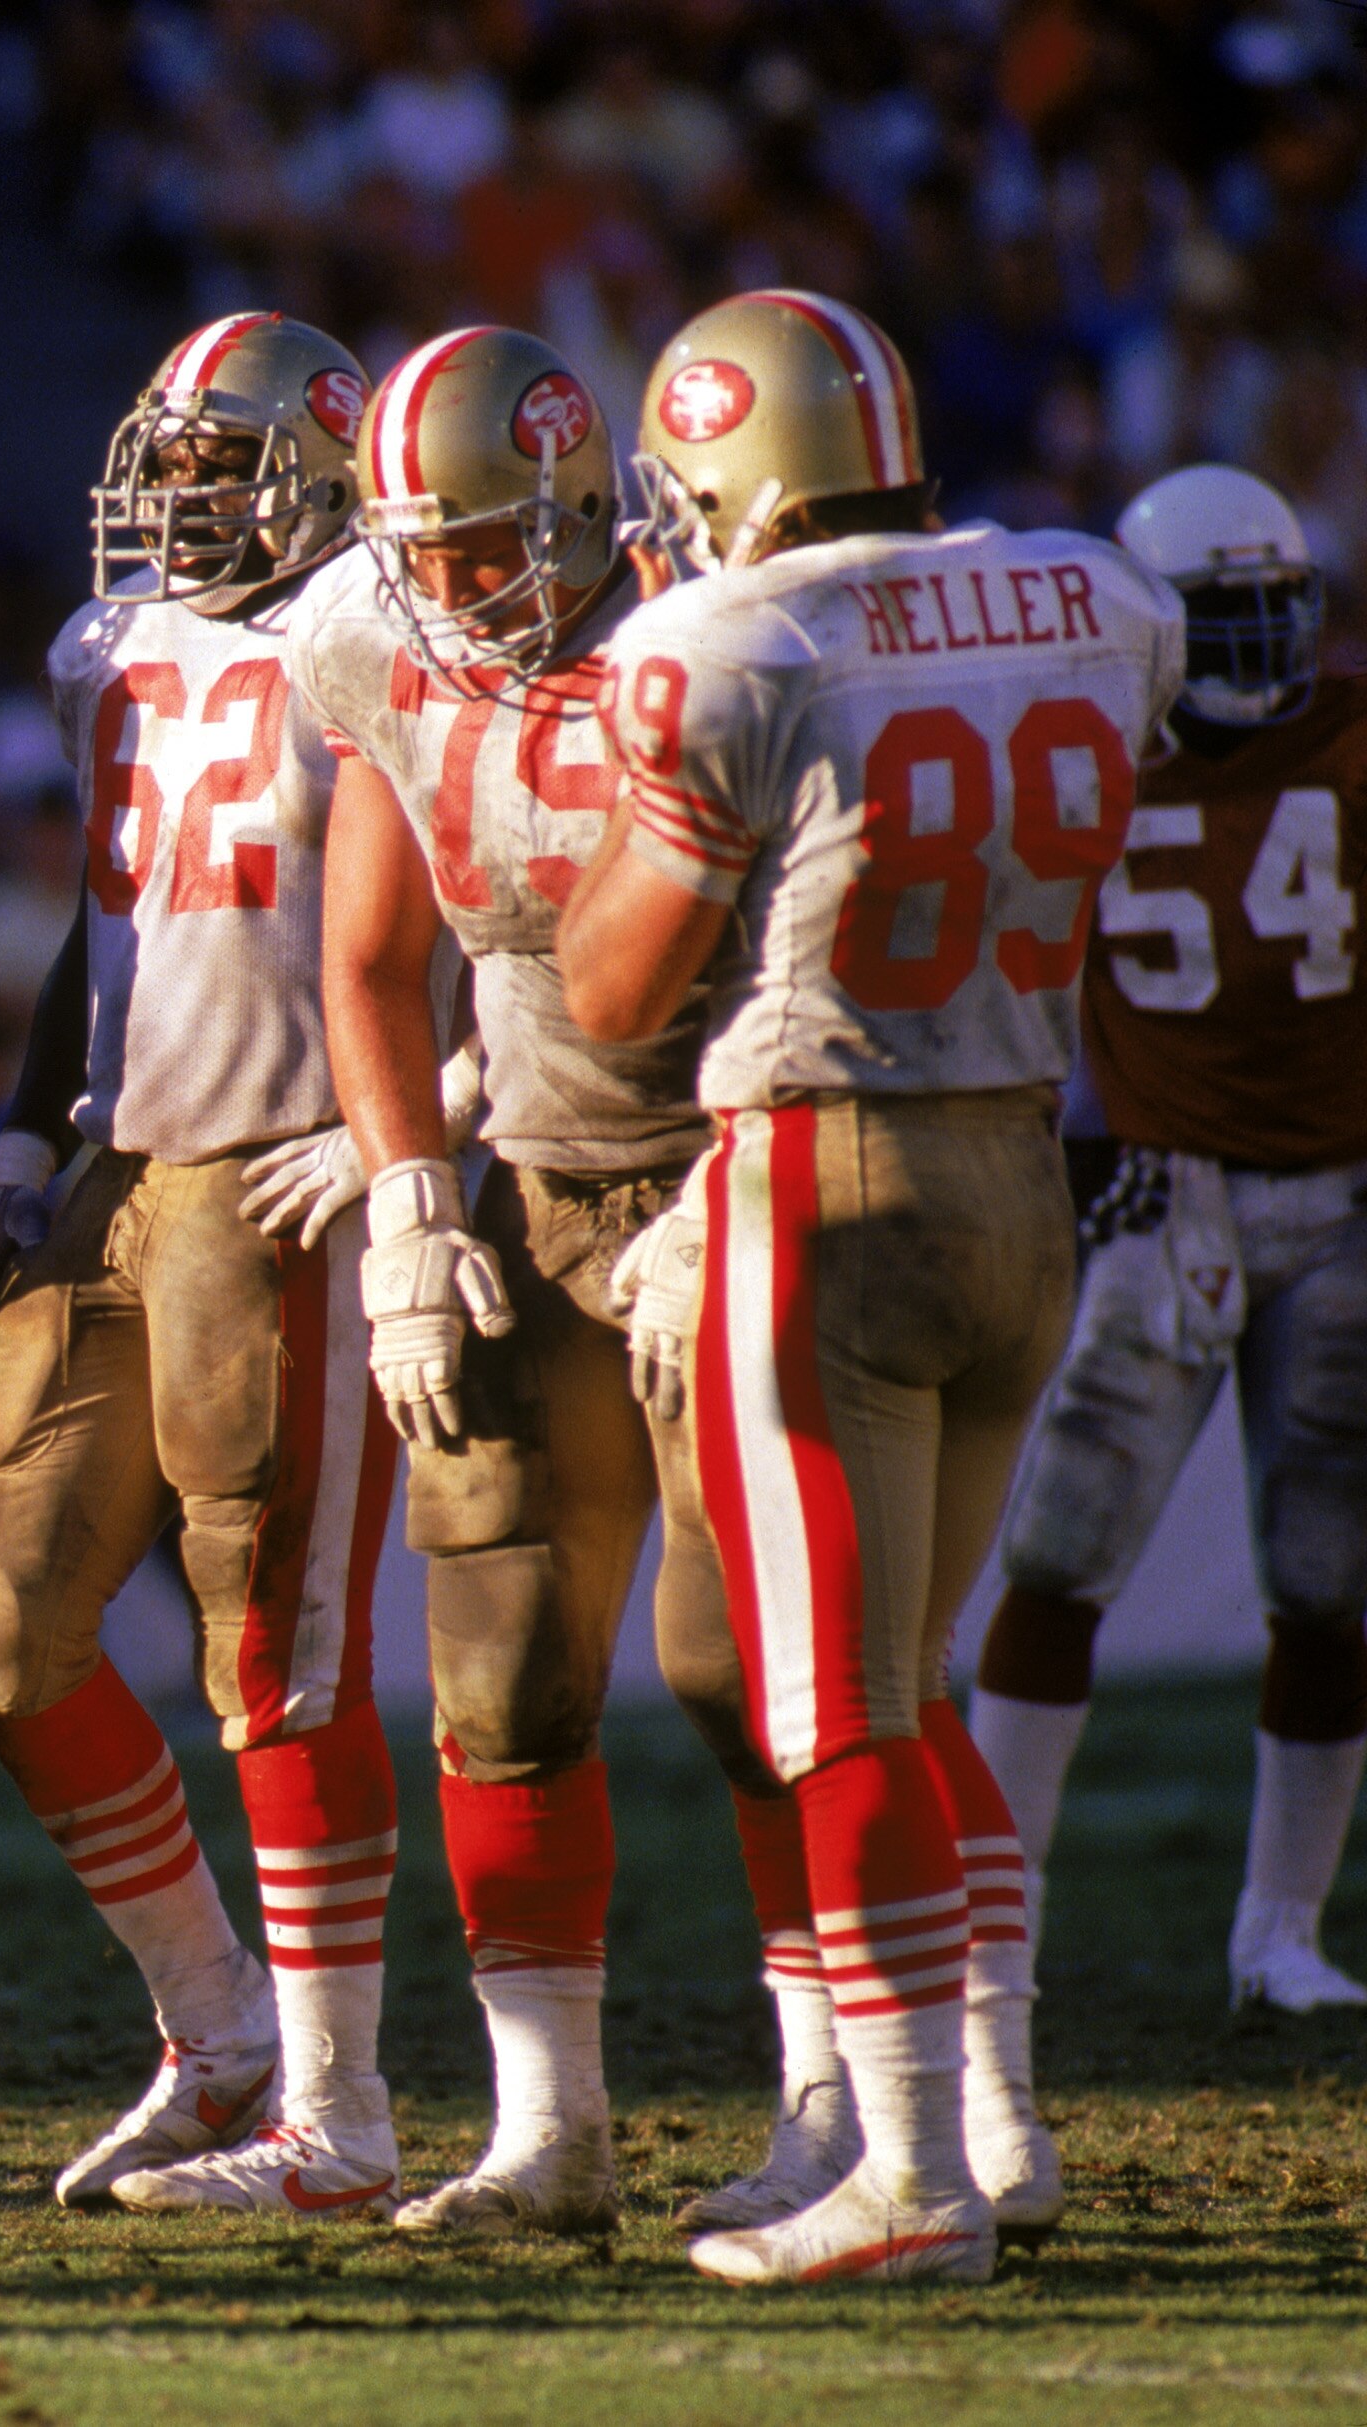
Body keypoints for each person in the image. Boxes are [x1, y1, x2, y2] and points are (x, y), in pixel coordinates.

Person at [561, 288, 1183, 2284]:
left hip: (818, 1180)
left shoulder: (726, 643)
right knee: (905, 1695)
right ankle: (989, 2126)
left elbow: (609, 987)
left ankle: (905, 2172)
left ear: (726, 476)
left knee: (827, 1708)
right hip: (1022, 1161)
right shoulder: (1090, 588)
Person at [0, 313, 420, 2220]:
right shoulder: (111, 640)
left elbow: (497, 897)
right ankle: (219, 2033)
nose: (189, 499)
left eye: (227, 467)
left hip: (292, 1175)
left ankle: (344, 2121)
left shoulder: (384, 625)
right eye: (176, 466)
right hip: (121, 1168)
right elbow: (109, 906)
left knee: (275, 1662)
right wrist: (26, 1129)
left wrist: (408, 1122)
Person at [295, 322, 717, 2237]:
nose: (444, 587)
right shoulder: (379, 647)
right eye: (414, 546)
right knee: (499, 1679)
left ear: (575, 507)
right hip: (538, 1201)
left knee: (787, 1679)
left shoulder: (712, 646)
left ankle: (885, 2111)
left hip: (745, 1179)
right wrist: (406, 1198)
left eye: (479, 544)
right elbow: (375, 963)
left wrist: (752, 1174)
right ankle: (553, 2133)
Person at [971, 463, 1367, 2017]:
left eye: (1279, 612)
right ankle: (988, 1933)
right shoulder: (1069, 749)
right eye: (1223, 619)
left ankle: (1281, 1932)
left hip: (1347, 1197)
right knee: (1060, 1555)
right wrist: (1074, 1142)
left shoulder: (1348, 735)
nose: (1258, 648)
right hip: (1167, 1190)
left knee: (1330, 1581)